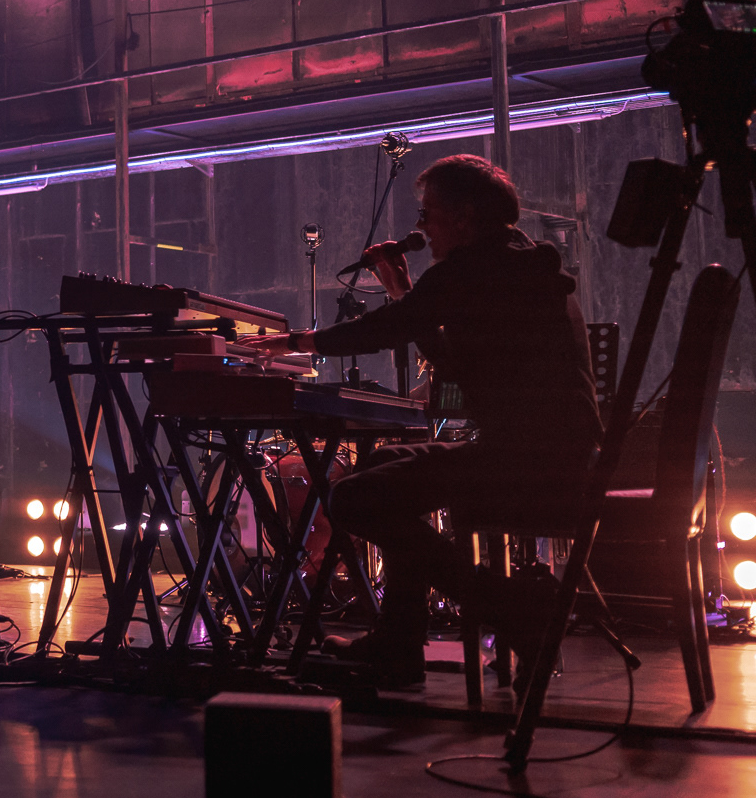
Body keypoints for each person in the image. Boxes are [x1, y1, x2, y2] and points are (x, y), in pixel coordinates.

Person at [243, 154, 600, 689]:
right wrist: (404, 292)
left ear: (463, 215)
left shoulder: (474, 268)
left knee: (355, 498)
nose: (422, 227)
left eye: (428, 214)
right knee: (388, 462)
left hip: (528, 464)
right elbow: (453, 360)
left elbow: (387, 330)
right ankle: (399, 644)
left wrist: (293, 343)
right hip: (552, 456)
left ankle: (509, 608)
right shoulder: (520, 263)